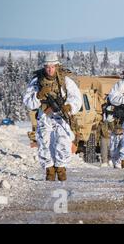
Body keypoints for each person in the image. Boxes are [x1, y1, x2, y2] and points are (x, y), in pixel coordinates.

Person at [23, 53, 82, 181]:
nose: (50, 69)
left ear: (57, 66)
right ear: (44, 67)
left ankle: (61, 169)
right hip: (45, 116)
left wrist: (69, 107)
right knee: (44, 143)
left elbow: (76, 98)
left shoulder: (65, 80)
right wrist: (38, 96)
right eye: (47, 67)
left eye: (52, 67)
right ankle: (49, 170)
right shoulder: (37, 81)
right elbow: (28, 101)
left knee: (63, 142)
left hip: (61, 116)